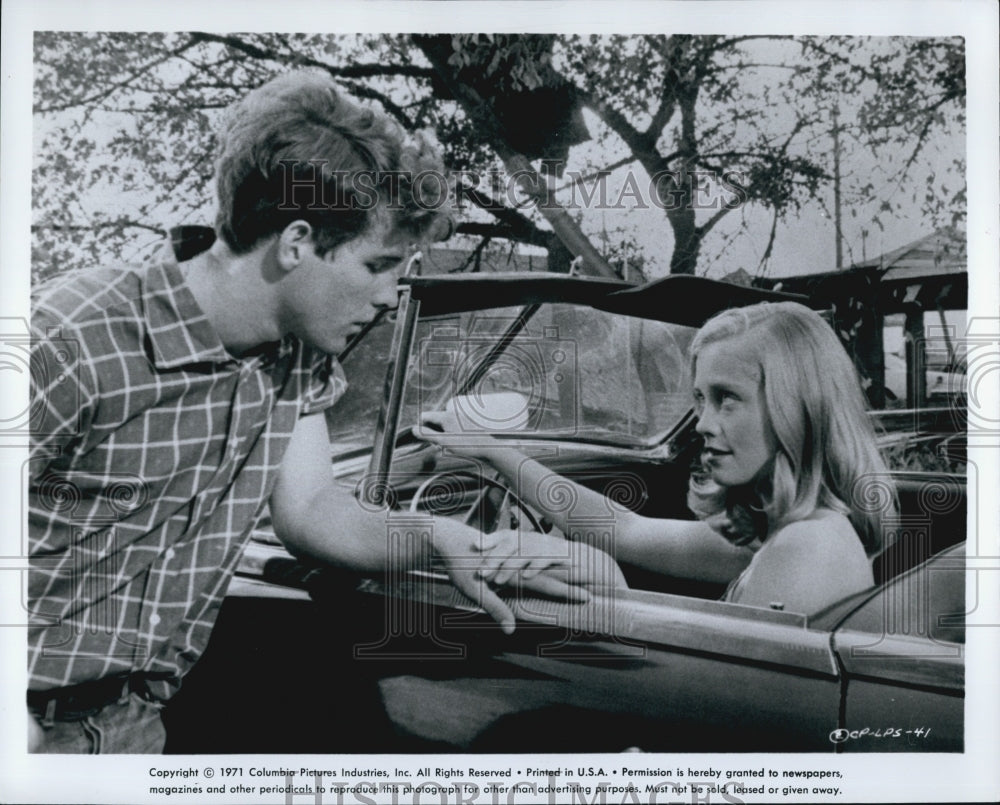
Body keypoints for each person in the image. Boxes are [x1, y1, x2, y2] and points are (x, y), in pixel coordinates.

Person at [26, 70, 611, 754]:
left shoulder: (294, 358)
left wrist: (436, 537)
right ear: (297, 241)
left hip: (132, 726)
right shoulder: (68, 334)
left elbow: (311, 508)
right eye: (380, 264)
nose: (395, 295)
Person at [420, 301, 896, 615]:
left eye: (727, 399)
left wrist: (605, 580)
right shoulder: (791, 530)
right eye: (701, 400)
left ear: (797, 410)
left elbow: (717, 716)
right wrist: (492, 449)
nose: (704, 424)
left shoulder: (808, 548)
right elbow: (624, 528)